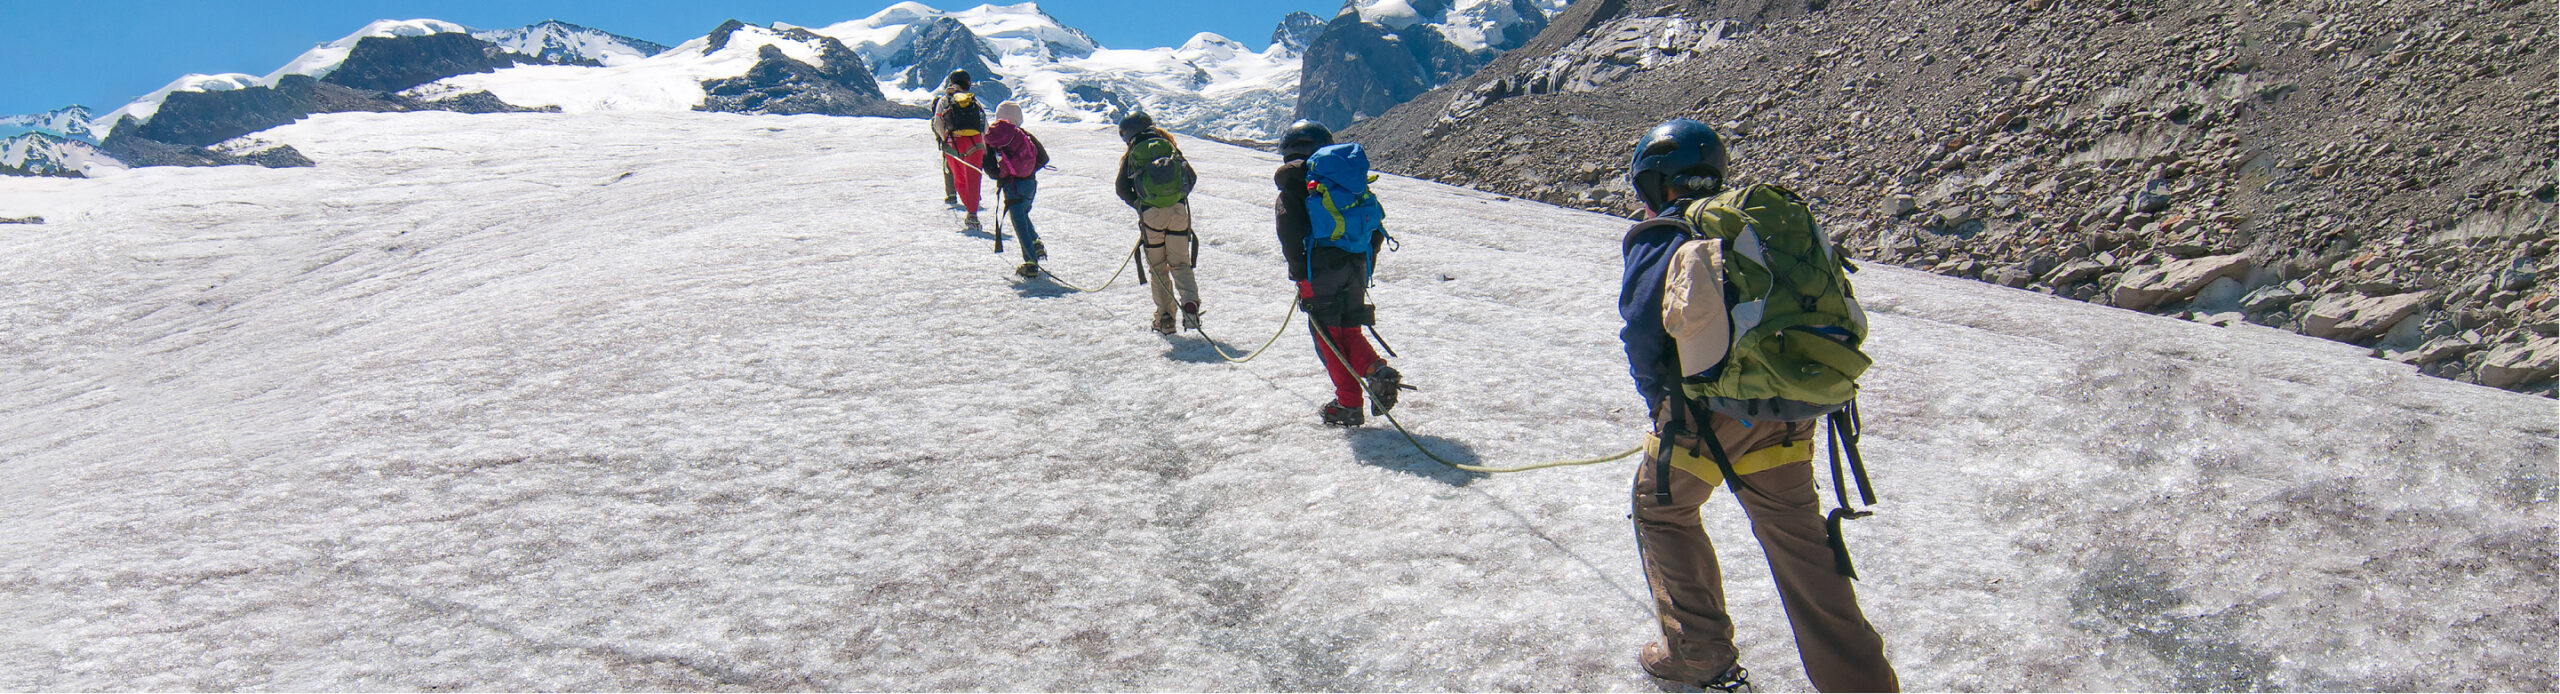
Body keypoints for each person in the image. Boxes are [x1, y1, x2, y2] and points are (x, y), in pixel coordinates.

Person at [1617, 118, 1900, 693]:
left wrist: (1660, 402)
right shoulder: (1756, 230)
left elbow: (1644, 329)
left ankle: (1697, 651)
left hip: (1703, 418)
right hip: (1790, 414)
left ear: (1657, 185)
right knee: (1799, 543)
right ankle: (1861, 682)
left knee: (1661, 509)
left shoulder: (1665, 234)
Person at [1272, 120, 1401, 427]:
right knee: (1349, 331)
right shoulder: (1348, 180)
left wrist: (1301, 274)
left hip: (1320, 270)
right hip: (1356, 264)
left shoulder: (1294, 183)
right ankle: (1377, 372)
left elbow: (1288, 231)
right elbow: (1375, 229)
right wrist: (1363, 263)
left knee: (1328, 338)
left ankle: (1348, 405)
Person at [1113, 111, 1203, 335]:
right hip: (1179, 211)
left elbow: (1121, 188)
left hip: (1151, 216)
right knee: (1181, 263)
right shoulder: (1168, 145)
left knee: (1158, 267)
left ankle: (1165, 317)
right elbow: (1190, 176)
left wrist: (1142, 205)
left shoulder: (1134, 153)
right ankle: (1190, 306)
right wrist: (1176, 198)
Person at [980, 101, 1050, 277]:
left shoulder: (993, 137)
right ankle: (1036, 243)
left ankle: (1030, 263)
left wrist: (1004, 173)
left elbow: (989, 166)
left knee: (1018, 221)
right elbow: (1043, 157)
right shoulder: (1024, 135)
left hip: (1012, 186)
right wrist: (1026, 169)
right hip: (1030, 184)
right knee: (1023, 215)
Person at [929, 70, 987, 228]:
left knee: (960, 179)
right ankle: (973, 214)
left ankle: (970, 211)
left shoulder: (944, 100)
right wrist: (982, 143)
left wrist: (945, 140)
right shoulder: (974, 100)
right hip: (975, 143)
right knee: (974, 179)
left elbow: (937, 123)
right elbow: (983, 123)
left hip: (954, 143)